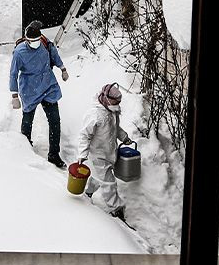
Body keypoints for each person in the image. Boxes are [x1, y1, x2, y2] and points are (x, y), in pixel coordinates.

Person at [9, 20, 69, 168]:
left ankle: (54, 154)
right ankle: (25, 148)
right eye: (32, 41)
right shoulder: (19, 52)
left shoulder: (43, 42)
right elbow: (13, 74)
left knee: (55, 121)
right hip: (30, 89)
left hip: (48, 86)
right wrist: (14, 95)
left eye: (37, 40)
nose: (36, 43)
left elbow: (53, 53)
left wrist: (62, 68)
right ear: (26, 40)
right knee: (28, 121)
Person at [77, 82, 133, 221]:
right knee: (109, 182)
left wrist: (124, 137)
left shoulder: (112, 111)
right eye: (116, 102)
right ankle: (116, 209)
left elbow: (116, 128)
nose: (118, 105)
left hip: (109, 152)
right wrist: (82, 155)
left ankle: (88, 193)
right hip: (98, 155)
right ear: (106, 99)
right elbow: (85, 135)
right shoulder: (95, 115)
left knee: (98, 177)